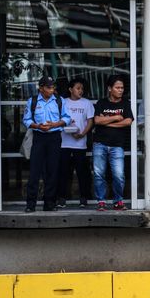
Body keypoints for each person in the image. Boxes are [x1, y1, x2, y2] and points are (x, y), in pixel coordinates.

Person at [23, 75, 71, 212]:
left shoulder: (59, 100)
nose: (52, 89)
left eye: (53, 87)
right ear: (41, 88)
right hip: (38, 137)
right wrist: (37, 126)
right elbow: (26, 120)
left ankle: (49, 203)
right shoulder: (32, 101)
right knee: (34, 172)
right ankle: (30, 204)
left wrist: (55, 124)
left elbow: (67, 118)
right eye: (49, 87)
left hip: (54, 137)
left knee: (52, 171)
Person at [92, 74, 133, 211]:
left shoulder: (125, 103)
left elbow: (128, 121)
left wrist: (107, 122)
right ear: (110, 88)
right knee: (99, 174)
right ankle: (101, 201)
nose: (120, 90)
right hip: (100, 144)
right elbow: (97, 121)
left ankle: (118, 201)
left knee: (119, 175)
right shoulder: (101, 103)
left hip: (117, 146)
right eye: (117, 87)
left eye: (122, 88)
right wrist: (116, 117)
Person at [56, 78, 94, 208]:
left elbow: (90, 121)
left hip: (80, 143)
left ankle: (83, 198)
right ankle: (62, 198)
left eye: (82, 88)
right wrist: (70, 130)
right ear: (70, 89)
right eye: (78, 88)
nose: (81, 91)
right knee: (64, 172)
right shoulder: (63, 102)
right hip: (64, 143)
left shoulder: (87, 103)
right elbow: (59, 120)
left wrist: (83, 133)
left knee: (82, 172)